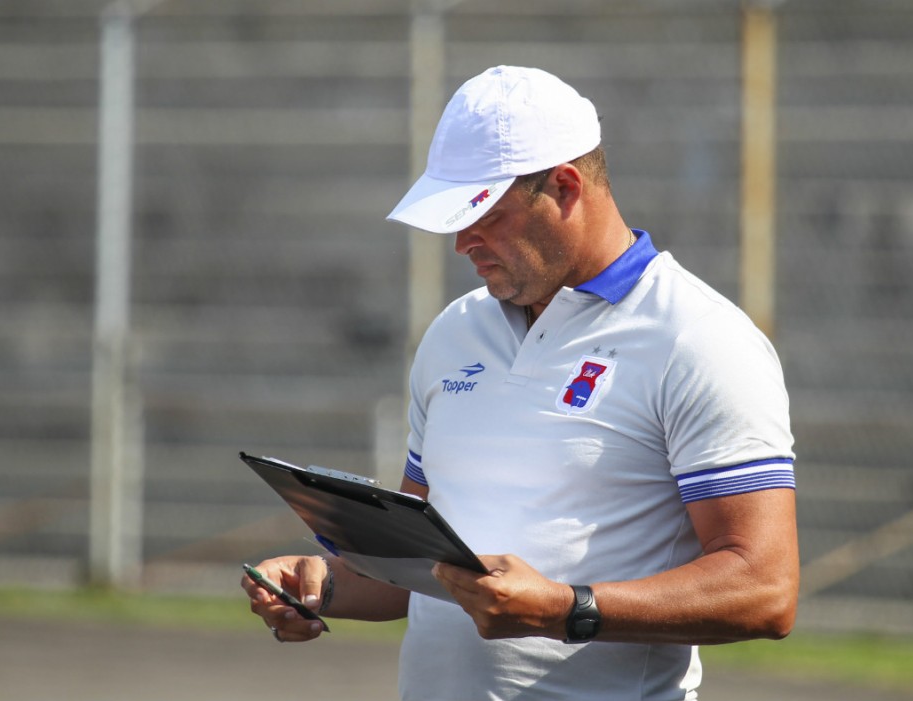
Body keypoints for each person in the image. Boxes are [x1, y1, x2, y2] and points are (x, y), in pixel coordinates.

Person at [241, 65, 798, 701]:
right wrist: (321, 582)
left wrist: (565, 608)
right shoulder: (454, 333)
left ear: (564, 187)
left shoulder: (698, 337)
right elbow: (420, 570)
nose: (461, 244)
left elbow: (764, 589)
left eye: (485, 215)